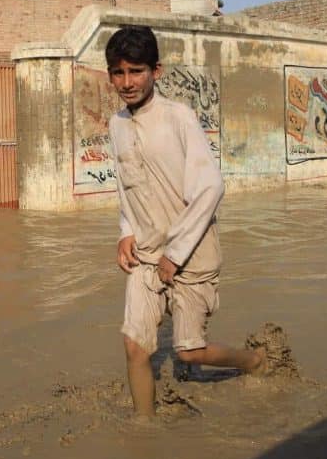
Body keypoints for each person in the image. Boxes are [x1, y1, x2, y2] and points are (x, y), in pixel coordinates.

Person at [106, 25, 266, 417]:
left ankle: (254, 362)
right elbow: (127, 188)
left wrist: (175, 254)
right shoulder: (116, 124)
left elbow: (210, 188)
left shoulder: (180, 118)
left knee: (189, 350)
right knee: (135, 346)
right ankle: (144, 431)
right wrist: (125, 232)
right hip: (145, 252)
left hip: (192, 253)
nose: (127, 82)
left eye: (136, 71)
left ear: (156, 71)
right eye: (119, 72)